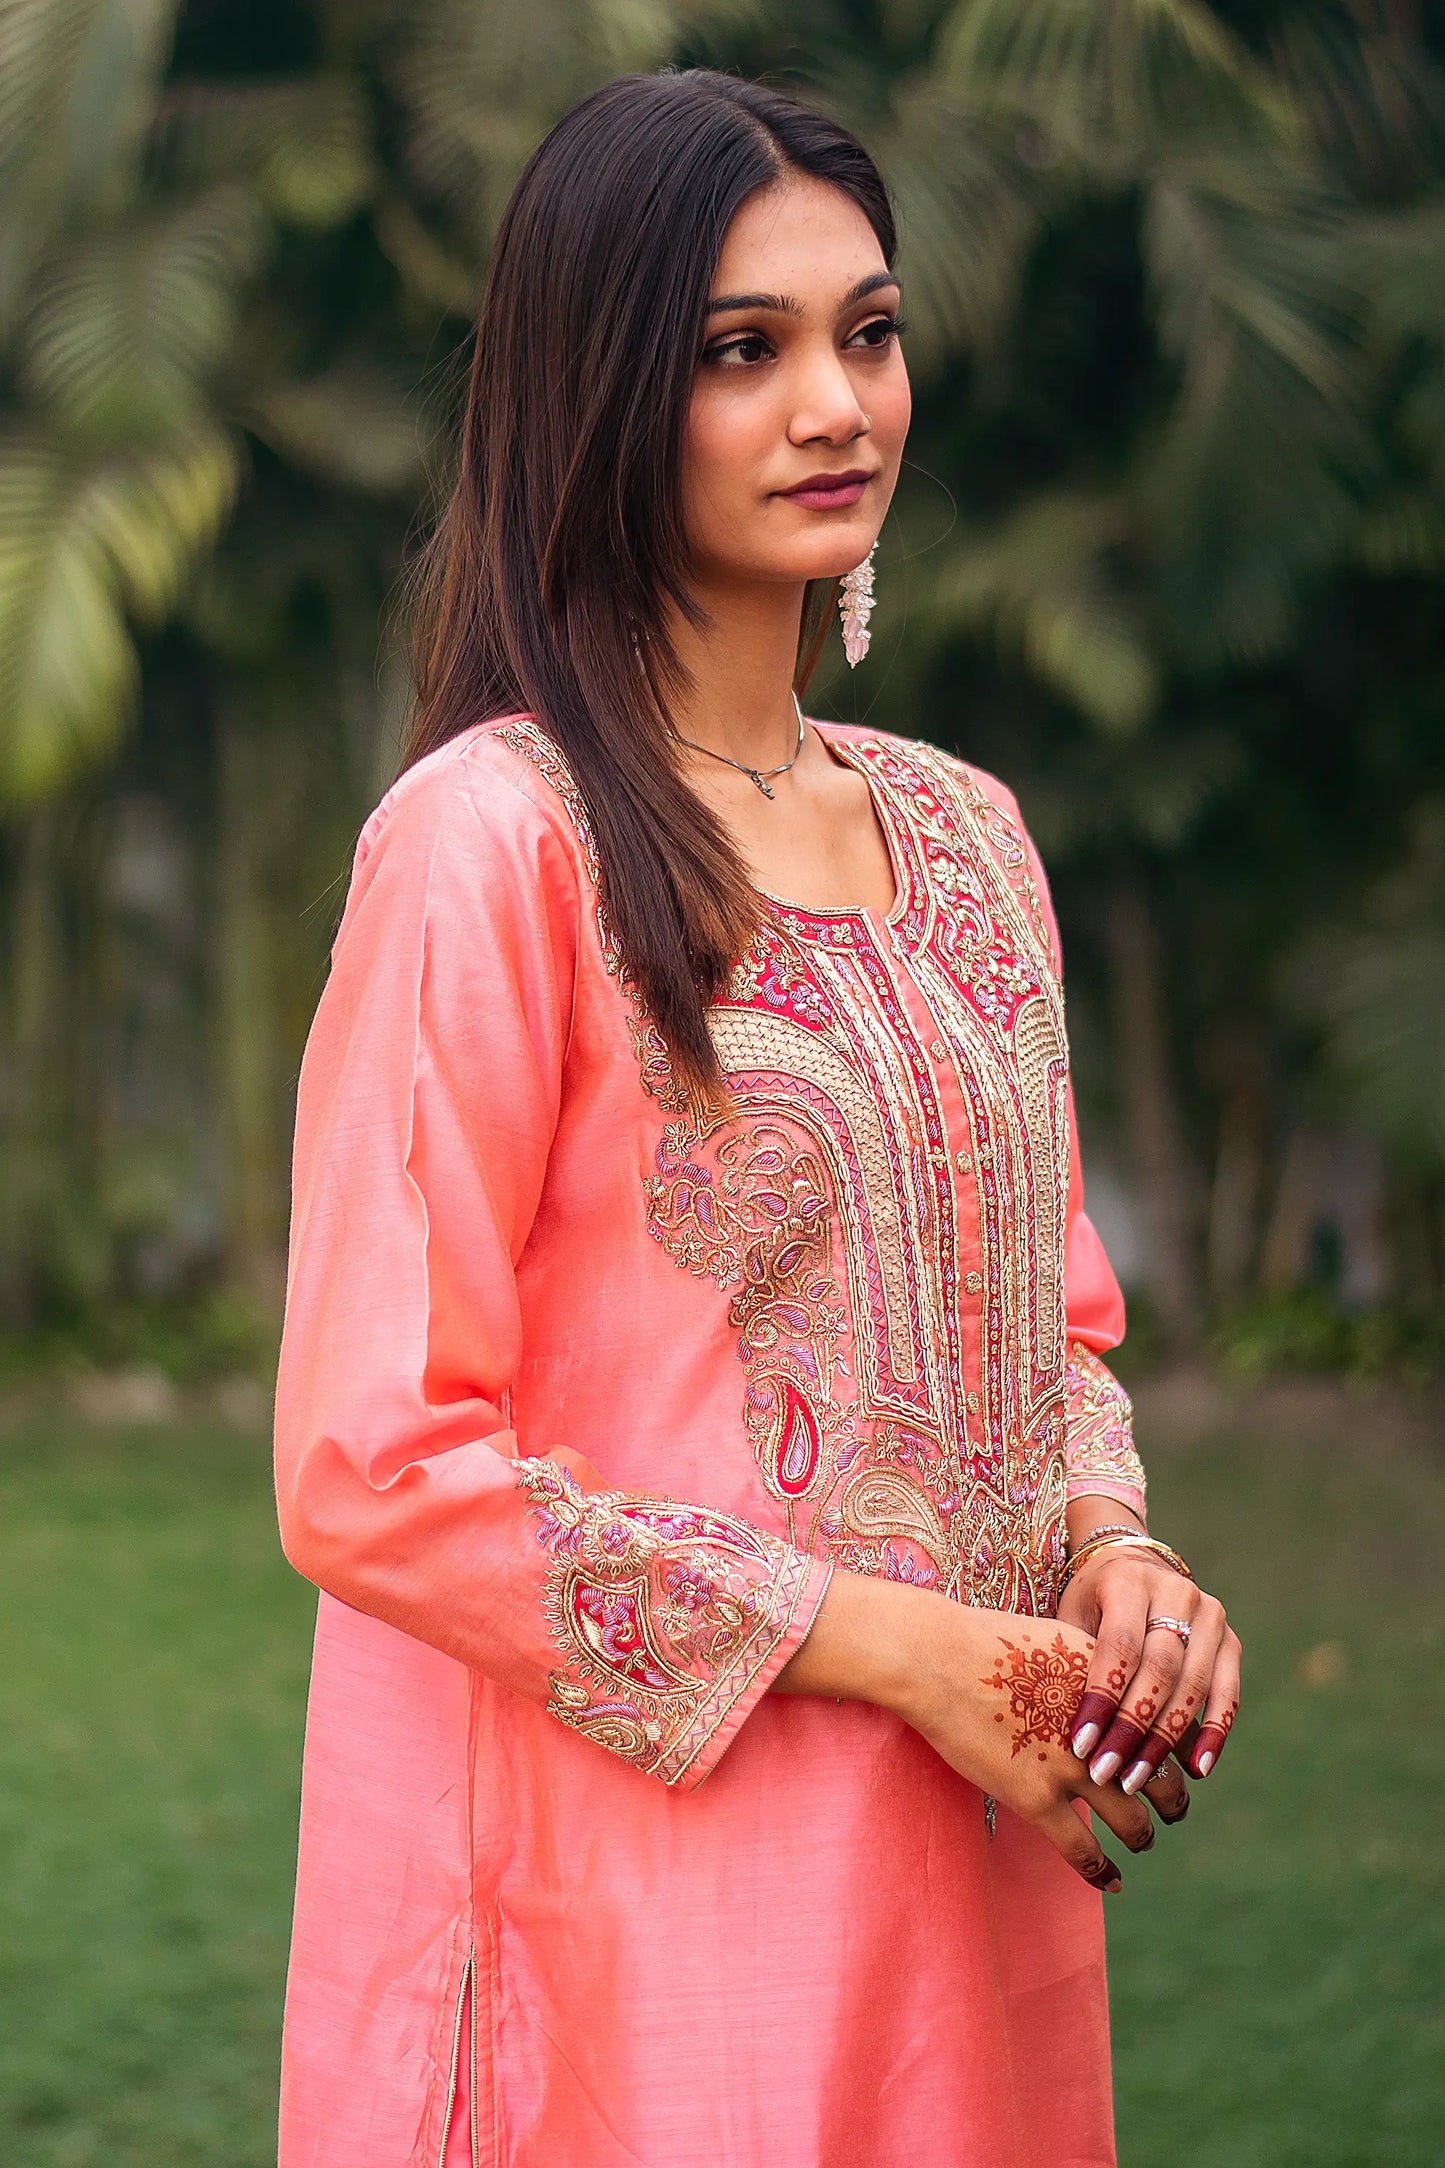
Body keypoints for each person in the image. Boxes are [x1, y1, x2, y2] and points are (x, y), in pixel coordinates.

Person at [272, 67, 1241, 2168]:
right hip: (639, 1909)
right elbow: (368, 1466)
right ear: (610, 387)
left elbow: (1051, 1329)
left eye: (867, 333)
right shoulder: (490, 847)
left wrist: (1120, 1555)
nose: (838, 403)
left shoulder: (971, 837)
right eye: (746, 349)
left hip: (969, 1865)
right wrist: (890, 1645)